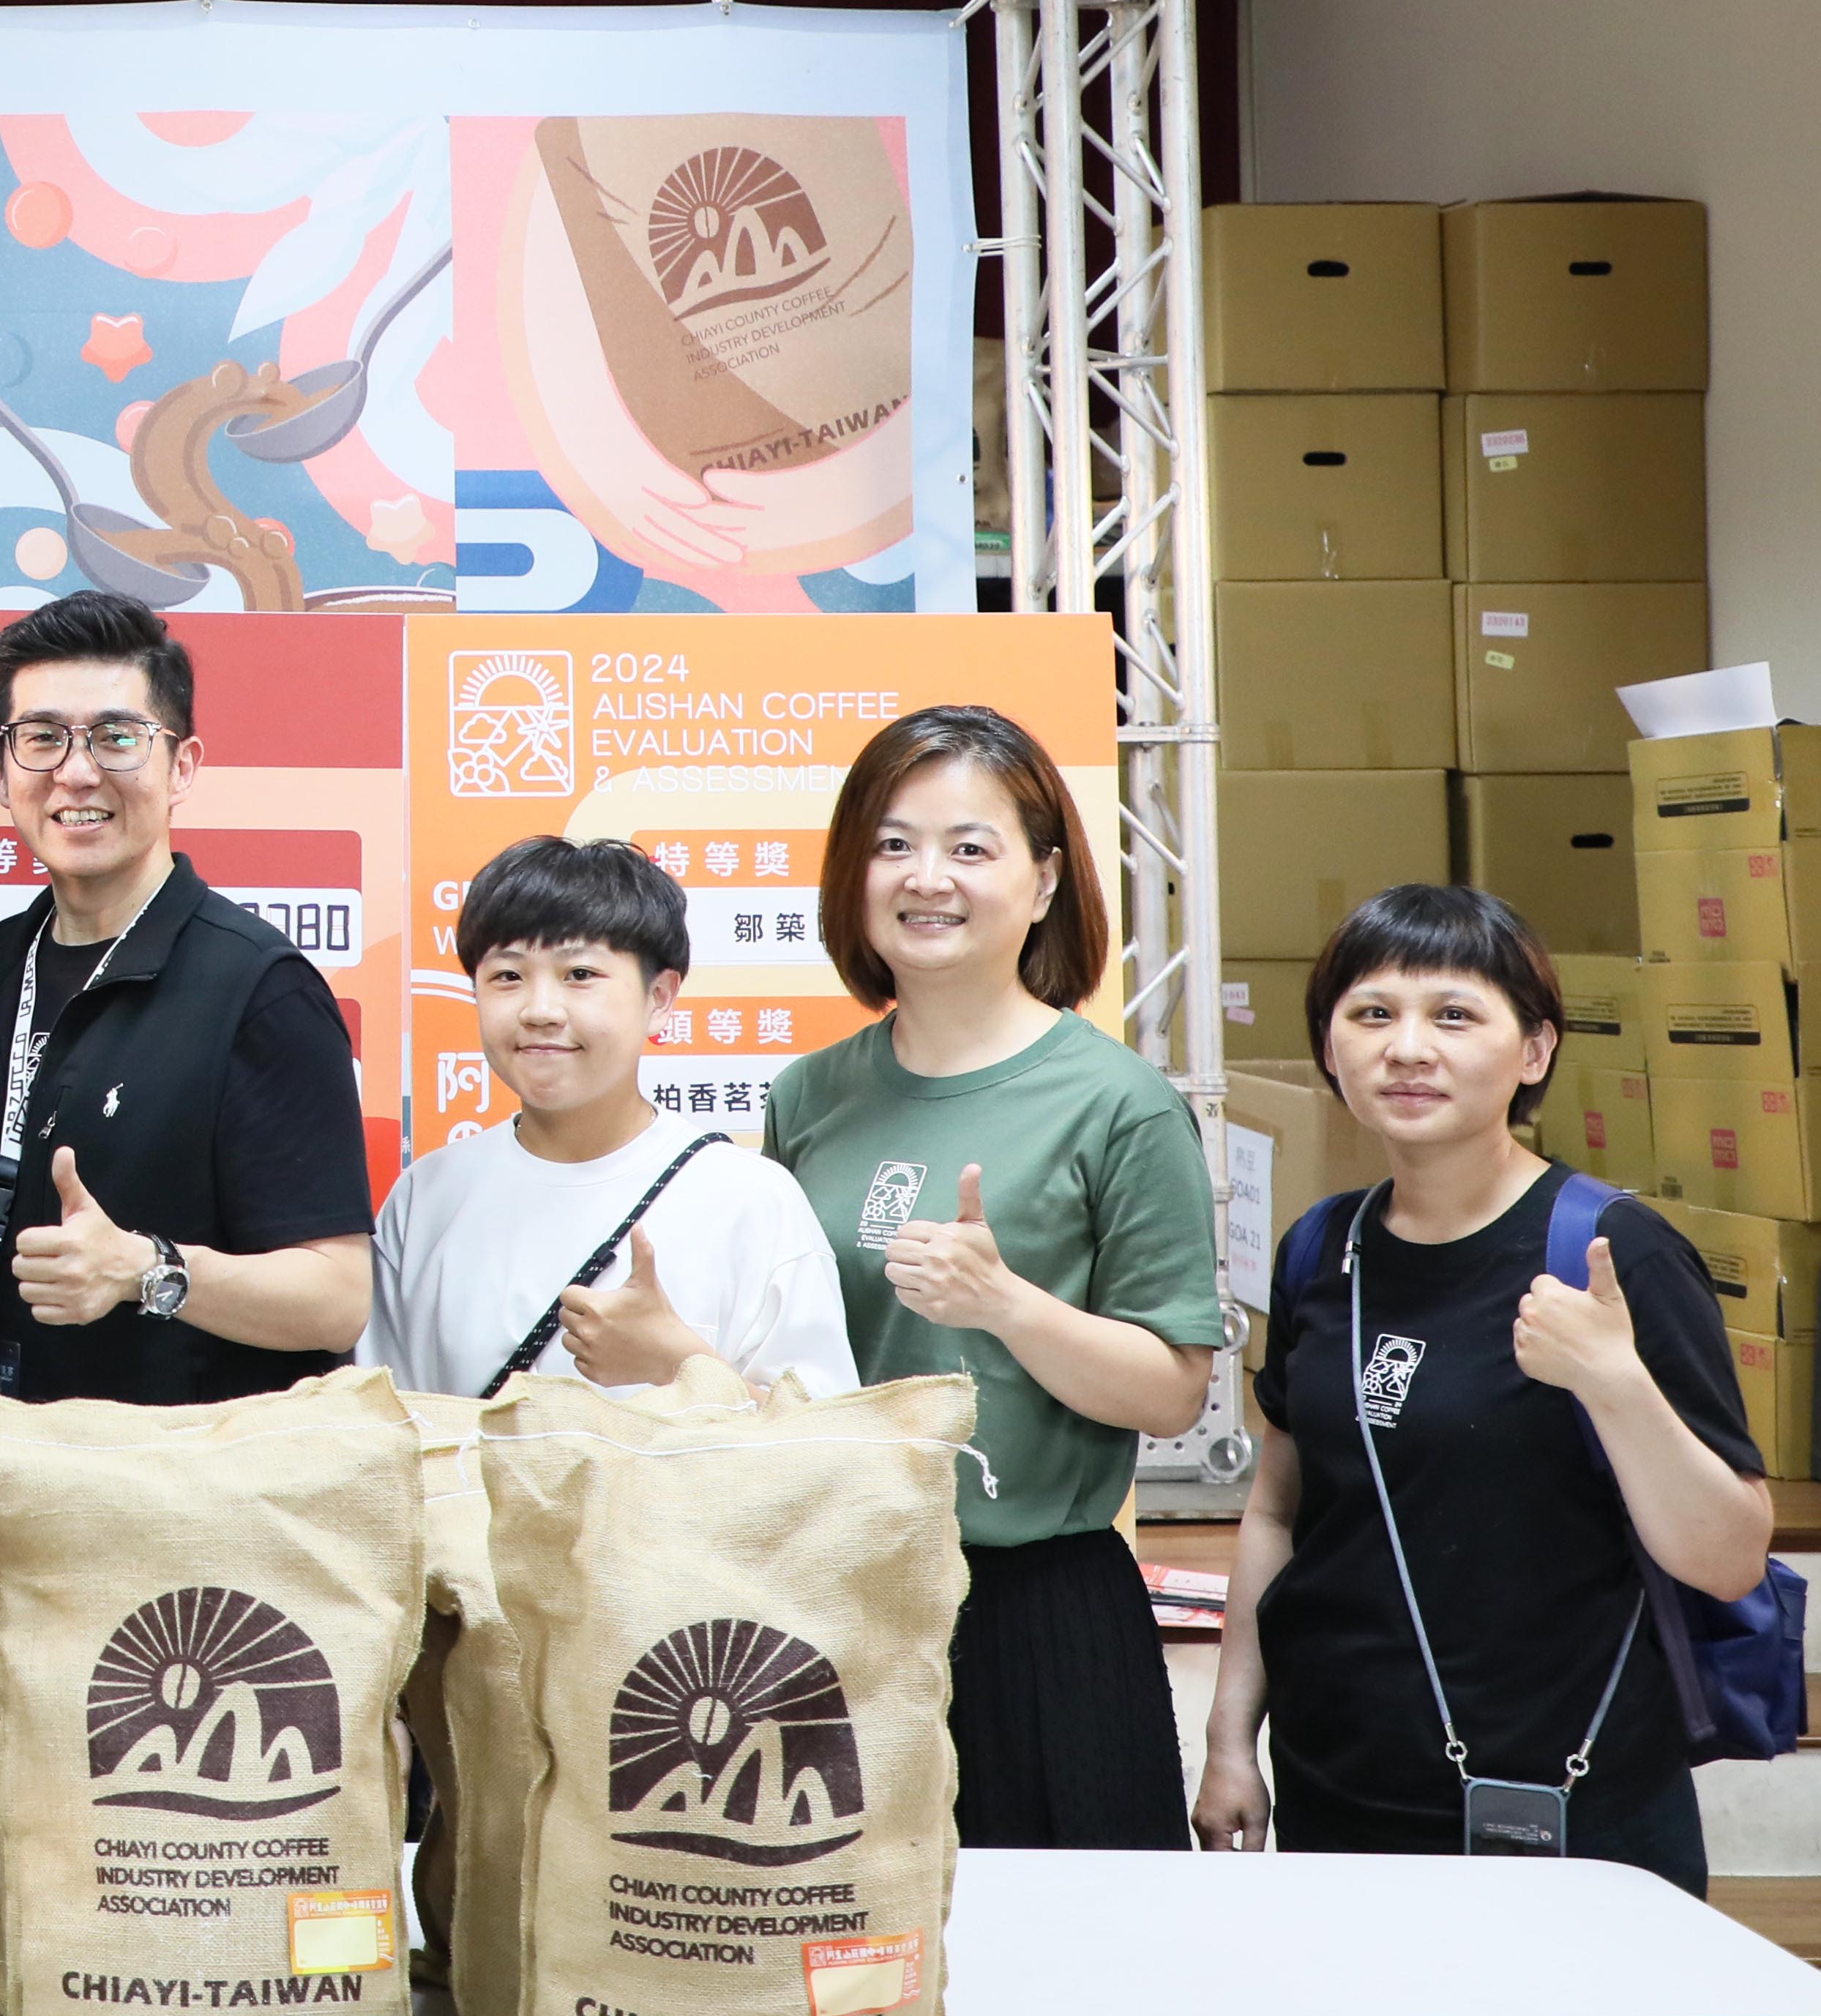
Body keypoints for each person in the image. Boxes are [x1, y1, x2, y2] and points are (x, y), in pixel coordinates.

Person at [1197, 888, 1769, 1893]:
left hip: (1570, 1795)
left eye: (1454, 1015)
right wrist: (1230, 1741)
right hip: (1339, 1782)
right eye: (1373, 1013)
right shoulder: (1320, 1247)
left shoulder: (1610, 1251)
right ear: (1328, 1047)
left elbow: (1729, 1557)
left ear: (1535, 1051)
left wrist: (1613, 1381)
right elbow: (1280, 1512)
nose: (1408, 1048)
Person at [764, 702, 1226, 1849]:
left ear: (1046, 878)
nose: (928, 878)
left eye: (970, 847)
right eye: (893, 844)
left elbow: (1174, 1391)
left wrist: (1005, 1305)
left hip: (1038, 1615)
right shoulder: (807, 1096)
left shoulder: (1119, 1104)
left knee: (1076, 1946)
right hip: (839, 1593)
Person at [0, 590, 373, 1401]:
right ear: (0, 770)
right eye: (42, 738)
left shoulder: (258, 987)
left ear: (182, 766)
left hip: (181, 1469)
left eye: (116, 738)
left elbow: (337, 1297)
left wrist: (146, 1268)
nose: (76, 772)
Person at [367, 833, 856, 1401]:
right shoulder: (427, 1198)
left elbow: (825, 1434)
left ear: (660, 997)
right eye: (508, 976)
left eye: (580, 975)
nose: (540, 1010)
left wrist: (680, 1366)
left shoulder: (750, 1200)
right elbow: (381, 1422)